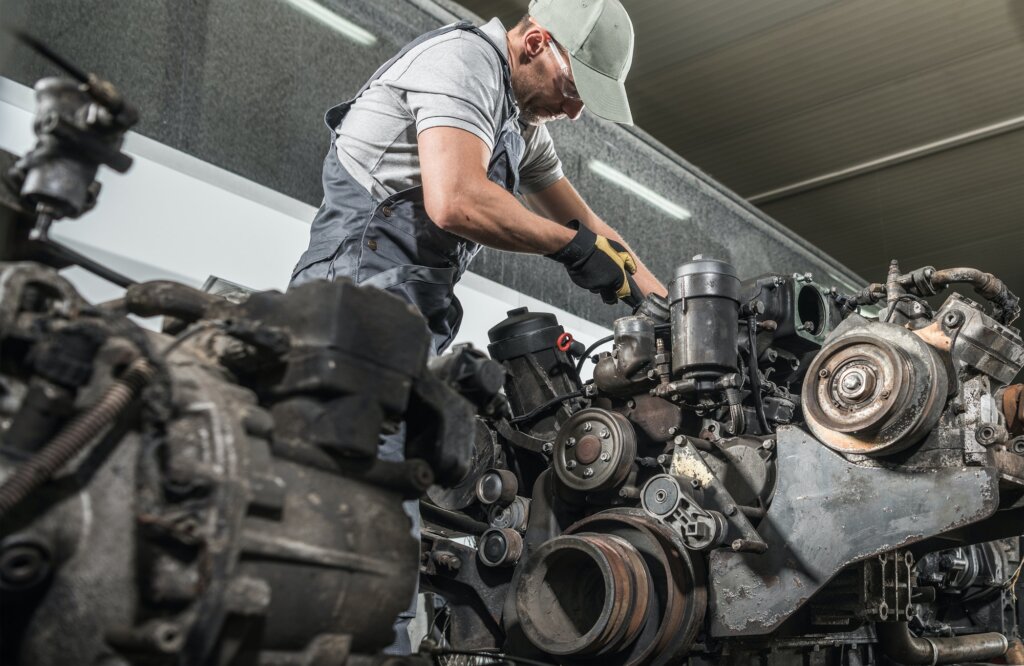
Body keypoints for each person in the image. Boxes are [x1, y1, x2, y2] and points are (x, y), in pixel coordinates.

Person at [289, 0, 665, 654]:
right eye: (574, 90)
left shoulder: (521, 124)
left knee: (417, 475)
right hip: (359, 286)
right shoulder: (462, 60)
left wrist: (671, 310)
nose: (576, 111)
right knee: (367, 490)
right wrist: (569, 250)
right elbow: (456, 197)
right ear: (535, 42)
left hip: (413, 306)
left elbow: (598, 232)